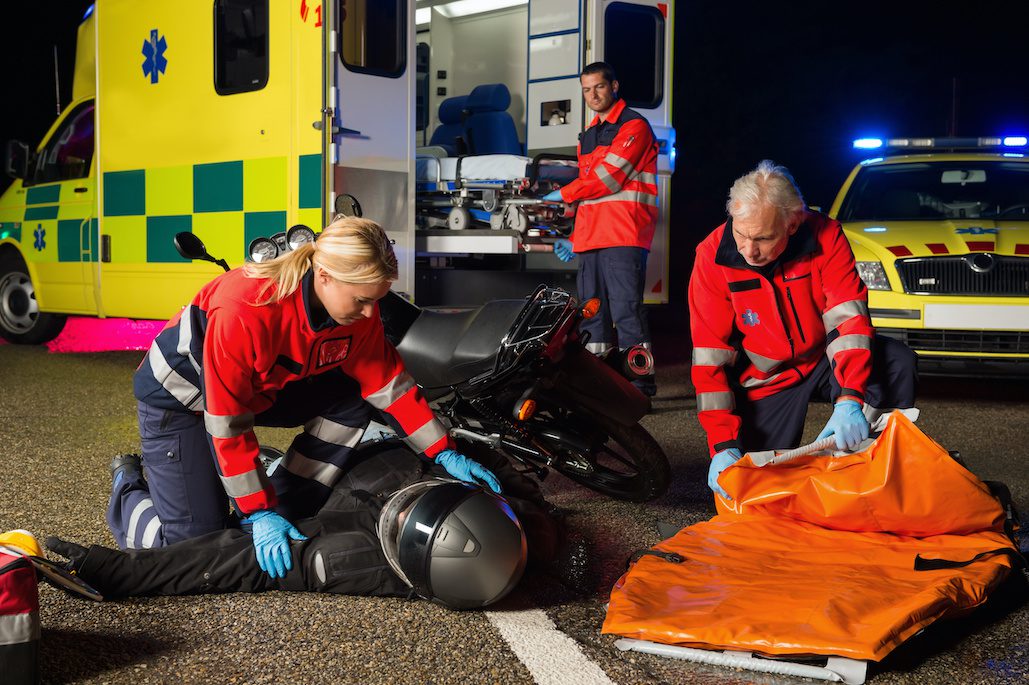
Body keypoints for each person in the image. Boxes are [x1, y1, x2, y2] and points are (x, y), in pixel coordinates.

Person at [107, 216, 501, 582]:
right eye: (361, 301)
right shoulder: (245, 309)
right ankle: (128, 484)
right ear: (324, 276)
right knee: (193, 546)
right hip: (180, 399)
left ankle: (286, 491)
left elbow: (389, 385)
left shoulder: (357, 314)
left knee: (350, 396)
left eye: (376, 300)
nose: (369, 315)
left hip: (260, 391)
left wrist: (443, 451)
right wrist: (257, 510)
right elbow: (227, 421)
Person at [52, 441, 566, 609]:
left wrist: (110, 572)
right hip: (339, 455)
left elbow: (231, 561)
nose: (397, 510)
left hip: (310, 502)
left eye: (400, 523)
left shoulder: (354, 559)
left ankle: (126, 482)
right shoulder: (509, 519)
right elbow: (519, 489)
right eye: (417, 502)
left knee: (174, 537)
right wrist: (458, 453)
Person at [689, 160, 918, 499]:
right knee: (758, 489)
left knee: (897, 362)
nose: (748, 251)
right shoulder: (711, 256)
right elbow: (710, 358)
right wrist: (721, 443)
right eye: (741, 234)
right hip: (767, 380)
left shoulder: (827, 235)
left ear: (792, 223)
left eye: (763, 238)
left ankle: (869, 465)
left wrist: (850, 398)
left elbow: (848, 323)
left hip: (823, 360)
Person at [543, 62, 660, 396]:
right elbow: (589, 195)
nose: (592, 95)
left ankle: (640, 382)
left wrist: (564, 193)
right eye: (586, 89)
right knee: (592, 313)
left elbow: (609, 179)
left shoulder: (634, 125)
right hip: (593, 236)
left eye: (599, 87)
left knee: (627, 310)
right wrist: (574, 236)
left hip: (624, 232)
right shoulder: (589, 134)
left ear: (614, 86)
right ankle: (604, 382)